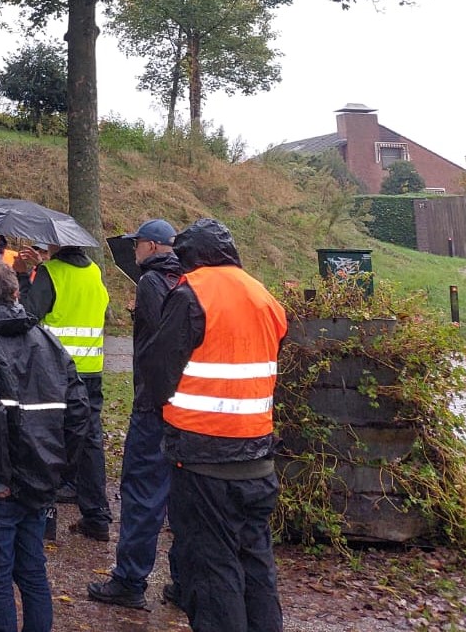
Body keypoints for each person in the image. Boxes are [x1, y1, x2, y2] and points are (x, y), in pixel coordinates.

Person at [143, 219, 286, 632]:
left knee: (212, 570)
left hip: (203, 459)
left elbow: (158, 368)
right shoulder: (264, 296)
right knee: (256, 565)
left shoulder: (192, 293)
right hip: (258, 456)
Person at [0, 260, 91, 632]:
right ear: (15, 293)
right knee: (32, 572)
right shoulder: (47, 339)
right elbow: (79, 409)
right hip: (37, 479)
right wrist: (59, 467)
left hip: (1, 487)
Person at [89, 219, 184, 610]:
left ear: (150, 246)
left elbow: (158, 340)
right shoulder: (190, 280)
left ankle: (130, 580)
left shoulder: (150, 282)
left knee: (143, 493)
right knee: (182, 498)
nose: (135, 252)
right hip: (186, 408)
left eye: (137, 245)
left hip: (152, 403)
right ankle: (184, 582)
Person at [18, 239, 112, 541]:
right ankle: (97, 515)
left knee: (51, 438)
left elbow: (26, 315)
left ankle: (46, 515)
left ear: (59, 245)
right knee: (90, 440)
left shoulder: (51, 272)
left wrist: (24, 275)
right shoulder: (94, 271)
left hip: (57, 370)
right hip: (92, 369)